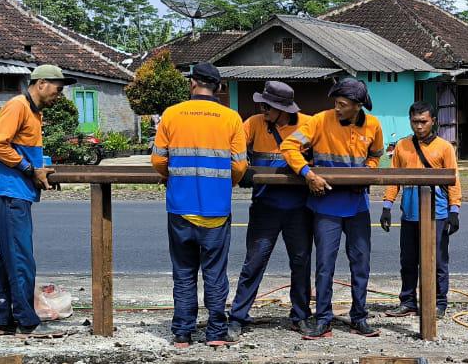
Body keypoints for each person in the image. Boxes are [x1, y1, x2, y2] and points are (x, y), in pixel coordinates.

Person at [152, 63, 248, 349]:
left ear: (192, 83)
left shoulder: (172, 114)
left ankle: (182, 332)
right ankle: (216, 332)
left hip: (180, 207)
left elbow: (158, 160)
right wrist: (224, 183)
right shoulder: (231, 118)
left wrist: (172, 177)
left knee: (183, 271)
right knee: (214, 272)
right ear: (218, 87)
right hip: (216, 209)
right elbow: (240, 165)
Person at [280, 77, 384, 339]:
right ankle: (323, 317)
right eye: (336, 103)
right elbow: (288, 146)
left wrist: (366, 175)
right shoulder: (319, 120)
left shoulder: (373, 125)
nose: (337, 108)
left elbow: (375, 155)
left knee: (361, 263)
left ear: (358, 106)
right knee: (325, 265)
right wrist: (307, 174)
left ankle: (359, 316)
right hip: (326, 205)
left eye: (343, 104)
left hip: (358, 205)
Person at [0, 64, 67, 338]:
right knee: (21, 258)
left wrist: (39, 172)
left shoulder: (35, 112)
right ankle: (26, 322)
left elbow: (25, 151)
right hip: (10, 193)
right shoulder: (18, 106)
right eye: (57, 90)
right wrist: (29, 170)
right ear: (41, 83)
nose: (59, 96)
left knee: (8, 256)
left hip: (16, 191)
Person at [228, 81, 313, 339]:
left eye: (268, 106)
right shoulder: (253, 124)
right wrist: (242, 170)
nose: (262, 109)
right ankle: (238, 316)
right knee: (254, 262)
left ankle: (300, 315)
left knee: (301, 263)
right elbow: (236, 148)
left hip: (299, 207)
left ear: (282, 109)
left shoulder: (308, 125)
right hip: (265, 206)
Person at [381, 101, 462, 319]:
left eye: (423, 122)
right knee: (408, 260)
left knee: (436, 260)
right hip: (409, 213)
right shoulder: (402, 146)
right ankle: (408, 301)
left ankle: (438, 303)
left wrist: (455, 210)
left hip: (437, 214)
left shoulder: (444, 147)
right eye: (415, 122)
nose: (419, 126)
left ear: (433, 121)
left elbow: (454, 180)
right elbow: (393, 179)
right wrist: (387, 206)